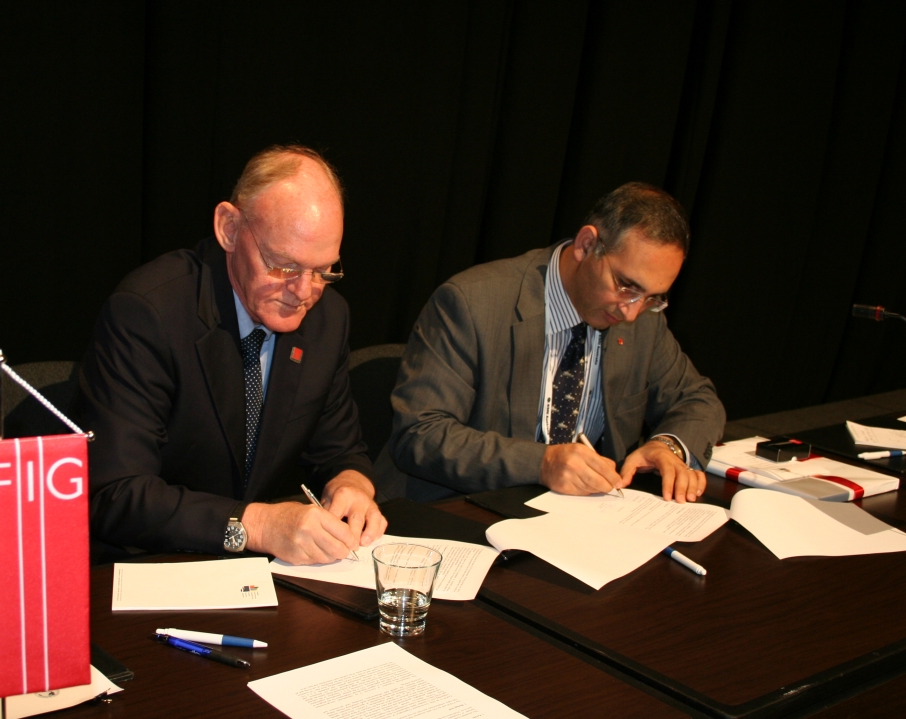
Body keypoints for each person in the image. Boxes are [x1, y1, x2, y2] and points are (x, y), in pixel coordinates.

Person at [80, 145, 387, 564]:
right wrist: (257, 525)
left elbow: (339, 450)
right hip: (148, 562)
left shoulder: (327, 318)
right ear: (229, 228)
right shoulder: (149, 313)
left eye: (323, 271)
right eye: (283, 266)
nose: (303, 292)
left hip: (252, 574)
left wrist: (352, 486)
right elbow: (115, 493)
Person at [379, 182, 725, 503]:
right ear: (586, 245)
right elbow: (421, 434)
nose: (632, 312)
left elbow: (697, 400)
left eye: (652, 297)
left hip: (580, 518)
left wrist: (668, 446)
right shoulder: (472, 303)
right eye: (626, 286)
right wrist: (541, 464)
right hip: (461, 508)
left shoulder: (644, 319)